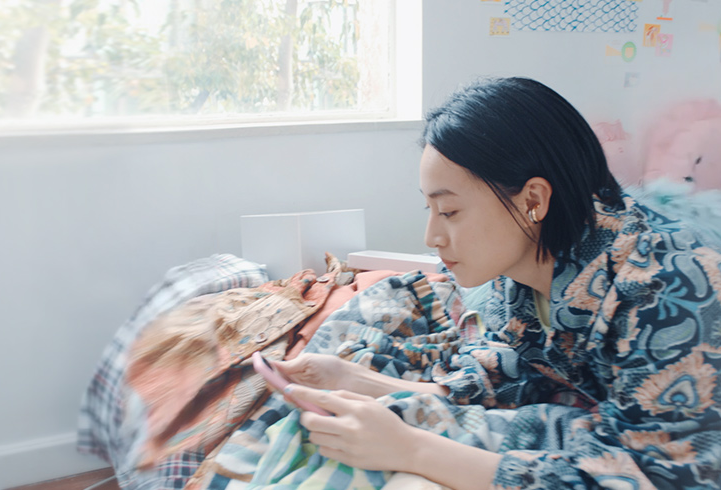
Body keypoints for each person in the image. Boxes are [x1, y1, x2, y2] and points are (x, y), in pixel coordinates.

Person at [274, 77, 721, 489]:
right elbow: (516, 375)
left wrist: (412, 449)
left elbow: (663, 477)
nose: (432, 237)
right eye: (429, 211)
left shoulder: (667, 288)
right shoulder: (524, 272)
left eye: (448, 212)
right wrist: (356, 380)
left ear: (533, 200)